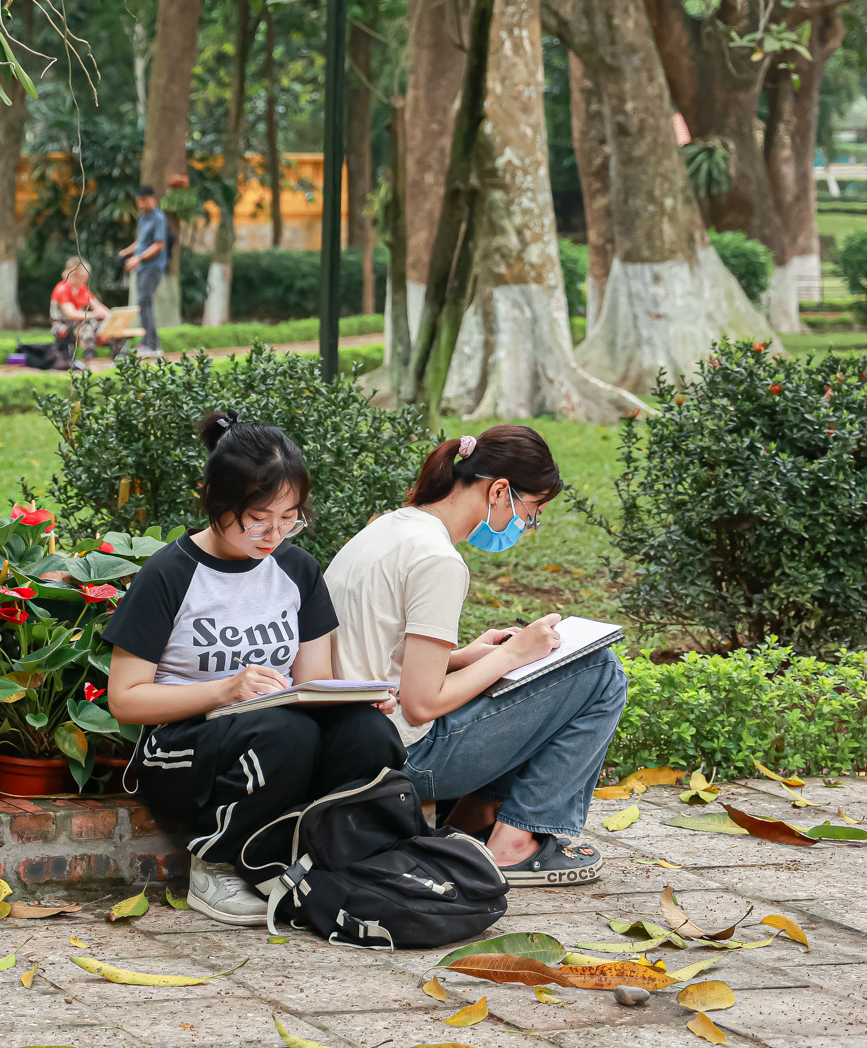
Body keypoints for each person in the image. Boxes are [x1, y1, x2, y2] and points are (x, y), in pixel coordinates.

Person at [106, 412, 405, 926]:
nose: (274, 533)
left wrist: (355, 699)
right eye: (258, 518)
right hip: (179, 749)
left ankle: (330, 856)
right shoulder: (171, 573)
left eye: (289, 518)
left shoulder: (297, 569)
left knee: (369, 733)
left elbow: (313, 681)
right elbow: (126, 700)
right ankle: (214, 861)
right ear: (217, 501)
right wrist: (224, 690)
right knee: (284, 732)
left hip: (274, 733)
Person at [325, 425, 627, 887]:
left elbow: (373, 654)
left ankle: (474, 818)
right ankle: (513, 845)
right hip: (406, 757)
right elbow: (420, 705)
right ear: (500, 490)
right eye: (532, 511)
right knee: (599, 671)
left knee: (539, 672)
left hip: (352, 737)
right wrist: (510, 657)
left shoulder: (388, 526)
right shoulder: (438, 559)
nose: (527, 525)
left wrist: (467, 656)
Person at [116, 185, 166, 355]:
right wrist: (127, 251)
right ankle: (148, 342)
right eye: (138, 201)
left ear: (152, 199)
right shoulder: (142, 217)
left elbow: (159, 245)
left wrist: (138, 258)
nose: (140, 204)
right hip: (142, 267)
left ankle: (152, 345)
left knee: (145, 302)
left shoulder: (158, 218)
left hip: (153, 267)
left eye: (143, 201)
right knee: (143, 303)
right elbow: (141, 241)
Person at [50, 256, 111, 368]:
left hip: (79, 323)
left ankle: (118, 359)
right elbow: (70, 313)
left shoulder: (82, 288)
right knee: (86, 328)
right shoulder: (62, 289)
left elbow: (97, 305)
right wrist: (94, 314)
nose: (85, 280)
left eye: (85, 277)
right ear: (73, 274)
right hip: (62, 326)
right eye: (82, 277)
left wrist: (111, 316)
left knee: (106, 327)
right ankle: (90, 361)